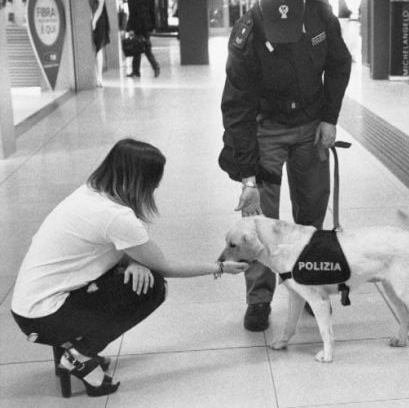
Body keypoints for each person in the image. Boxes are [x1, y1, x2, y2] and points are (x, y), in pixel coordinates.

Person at [10, 138, 247, 397]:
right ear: (142, 181)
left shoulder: (90, 192)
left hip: (29, 306)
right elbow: (165, 267)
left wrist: (134, 261)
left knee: (138, 276)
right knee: (153, 288)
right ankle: (78, 357)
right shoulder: (116, 216)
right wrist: (220, 267)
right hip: (46, 316)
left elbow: (112, 246)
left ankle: (79, 351)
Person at [220, 0, 352, 332]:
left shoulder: (321, 15)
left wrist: (330, 118)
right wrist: (247, 175)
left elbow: (340, 64)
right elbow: (236, 106)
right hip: (267, 128)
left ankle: (310, 285)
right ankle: (259, 298)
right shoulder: (247, 31)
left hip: (311, 124)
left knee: (310, 212)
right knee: (259, 222)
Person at [126, 0, 159, 78]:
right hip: (146, 27)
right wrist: (153, 27)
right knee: (146, 48)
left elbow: (132, 14)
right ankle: (154, 67)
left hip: (137, 27)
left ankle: (137, 71)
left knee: (137, 49)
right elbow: (152, 12)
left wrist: (130, 28)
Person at [89, 0, 110, 87]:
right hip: (95, 21)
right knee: (96, 49)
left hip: (99, 22)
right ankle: (97, 76)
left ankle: (99, 76)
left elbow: (100, 8)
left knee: (98, 48)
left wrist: (94, 21)